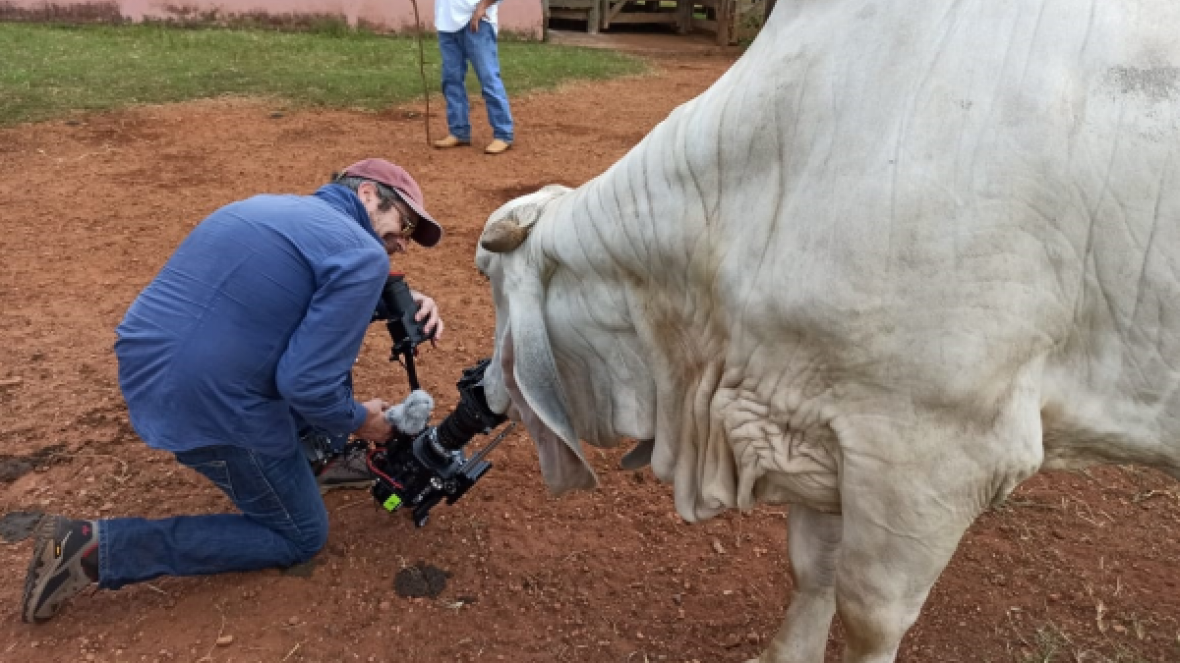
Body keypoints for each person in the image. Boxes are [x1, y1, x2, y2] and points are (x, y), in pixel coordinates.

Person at [21, 158, 445, 623]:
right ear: (367, 195)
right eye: (403, 223)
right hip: (210, 405)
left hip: (151, 370)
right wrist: (365, 422)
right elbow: (306, 384)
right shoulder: (363, 257)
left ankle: (315, 458)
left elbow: (289, 291)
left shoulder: (265, 206)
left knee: (310, 358)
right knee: (301, 535)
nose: (402, 243)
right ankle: (90, 550)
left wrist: (397, 297)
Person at [432, 0, 515, 155]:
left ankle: (503, 134)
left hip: (477, 20)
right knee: (451, 79)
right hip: (446, 22)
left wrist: (482, 7)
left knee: (488, 78)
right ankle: (458, 131)